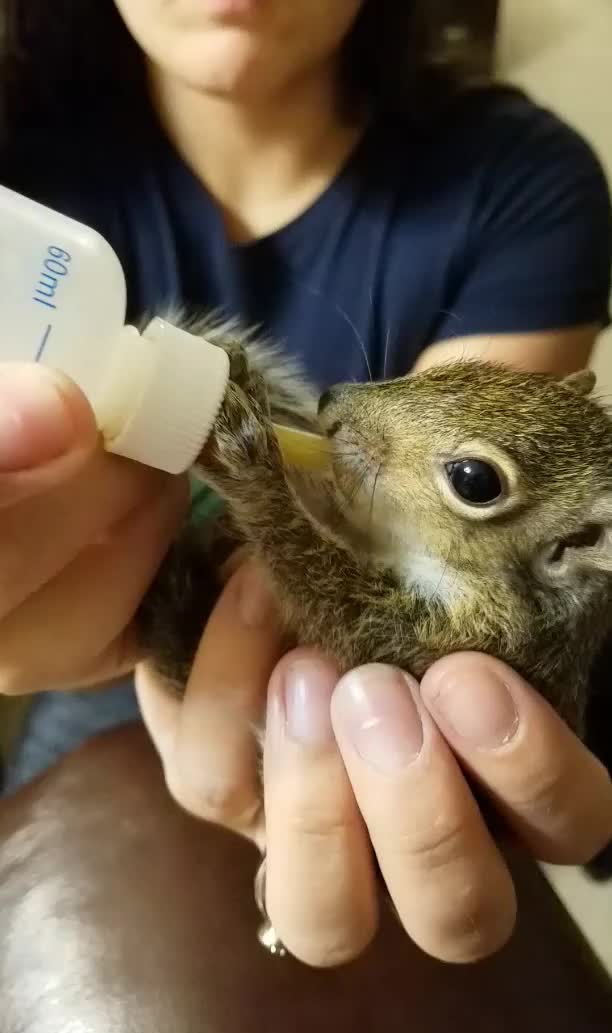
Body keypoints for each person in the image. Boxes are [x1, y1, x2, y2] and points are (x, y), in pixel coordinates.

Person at [1, 0, 611, 968]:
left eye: (469, 478)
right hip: (94, 696)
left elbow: (361, 606)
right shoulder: (28, 173)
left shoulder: (523, 187)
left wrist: (256, 472)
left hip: (328, 730)